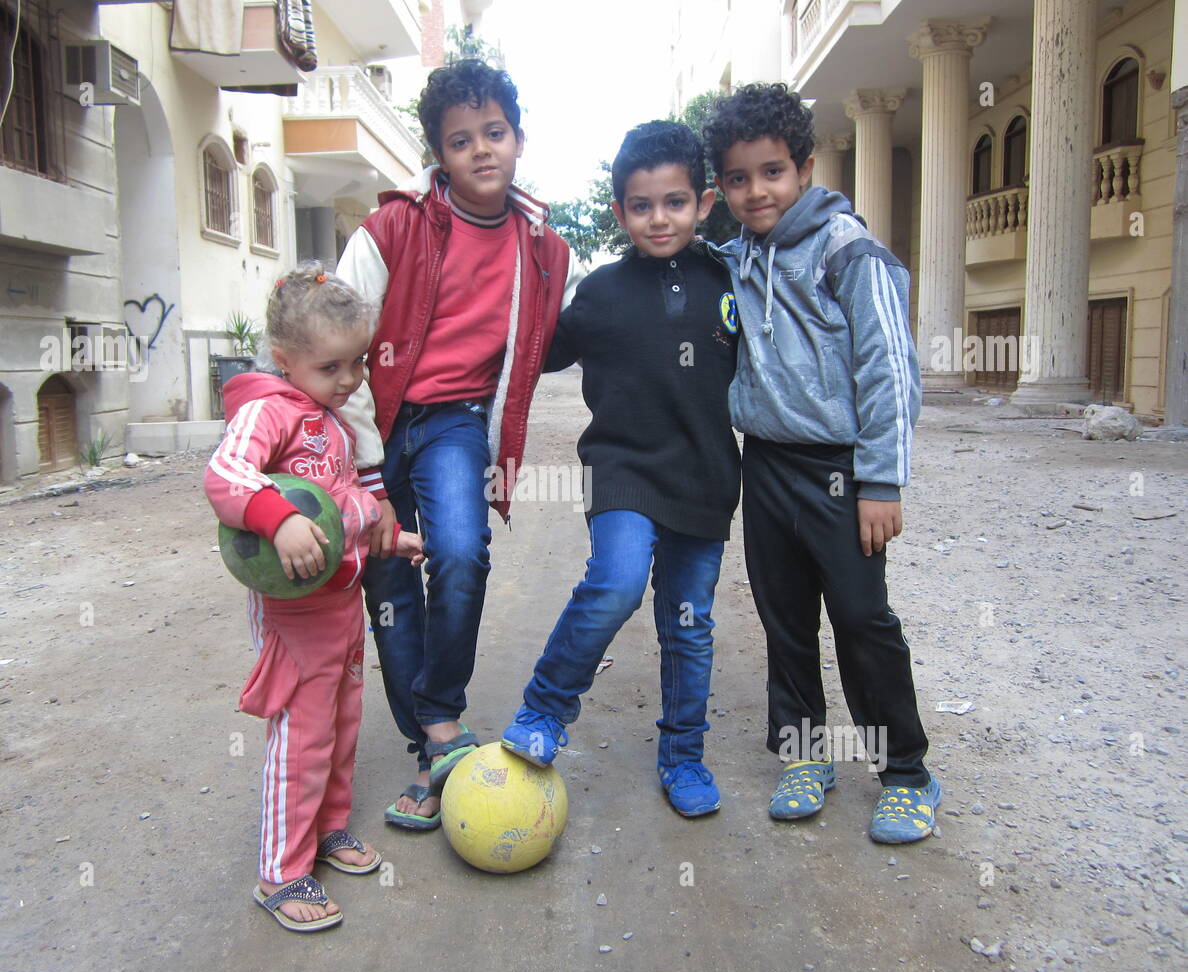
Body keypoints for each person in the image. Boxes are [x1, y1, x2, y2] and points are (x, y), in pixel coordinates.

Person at [334, 59, 581, 830]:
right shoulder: (393, 227)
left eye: (495, 133)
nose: (481, 150)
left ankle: (441, 709)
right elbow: (337, 324)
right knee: (389, 580)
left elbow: (574, 328)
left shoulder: (541, 246)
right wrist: (357, 471)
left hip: (453, 421)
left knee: (462, 551)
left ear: (518, 138)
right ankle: (434, 746)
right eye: (460, 139)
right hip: (372, 417)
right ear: (439, 153)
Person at [704, 83, 938, 843]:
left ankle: (905, 770)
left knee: (863, 618)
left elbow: (888, 370)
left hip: (842, 471)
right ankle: (805, 753)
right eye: (737, 178)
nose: (755, 191)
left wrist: (881, 480)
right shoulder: (736, 258)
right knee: (784, 619)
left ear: (803, 166)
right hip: (766, 465)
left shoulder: (849, 251)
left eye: (771, 171)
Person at [499, 121, 741, 817]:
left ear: (702, 202)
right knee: (615, 582)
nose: (658, 218)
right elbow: (534, 350)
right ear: (619, 212)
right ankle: (544, 712)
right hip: (623, 471)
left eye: (674, 202)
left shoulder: (730, 278)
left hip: (705, 479)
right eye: (641, 205)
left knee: (689, 624)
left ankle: (683, 754)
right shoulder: (601, 292)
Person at [204, 265, 425, 932]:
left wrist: (386, 537)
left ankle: (327, 830)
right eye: (332, 365)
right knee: (300, 736)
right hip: (294, 615)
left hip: (341, 605)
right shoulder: (267, 411)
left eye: (358, 362)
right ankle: (280, 869)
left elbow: (344, 507)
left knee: (339, 722)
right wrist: (276, 516)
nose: (351, 378)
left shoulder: (331, 422)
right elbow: (225, 475)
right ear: (284, 360)